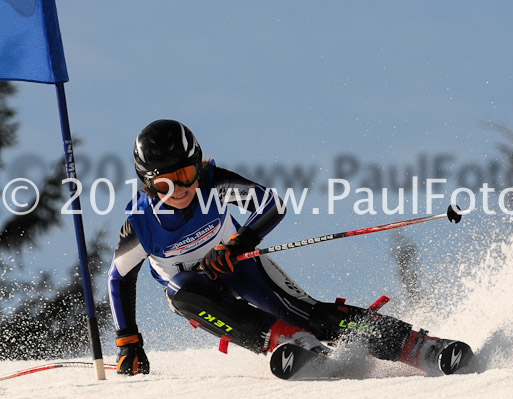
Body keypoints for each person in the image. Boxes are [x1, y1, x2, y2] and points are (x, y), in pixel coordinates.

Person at [108, 119, 473, 377]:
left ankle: (422, 348)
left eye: (186, 175)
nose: (181, 190)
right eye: (166, 184)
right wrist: (128, 343)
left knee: (308, 313)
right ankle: (289, 342)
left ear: (197, 165)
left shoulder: (212, 183)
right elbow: (119, 279)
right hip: (197, 290)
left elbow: (271, 204)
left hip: (240, 264)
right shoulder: (141, 225)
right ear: (147, 183)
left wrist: (236, 245)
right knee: (181, 293)